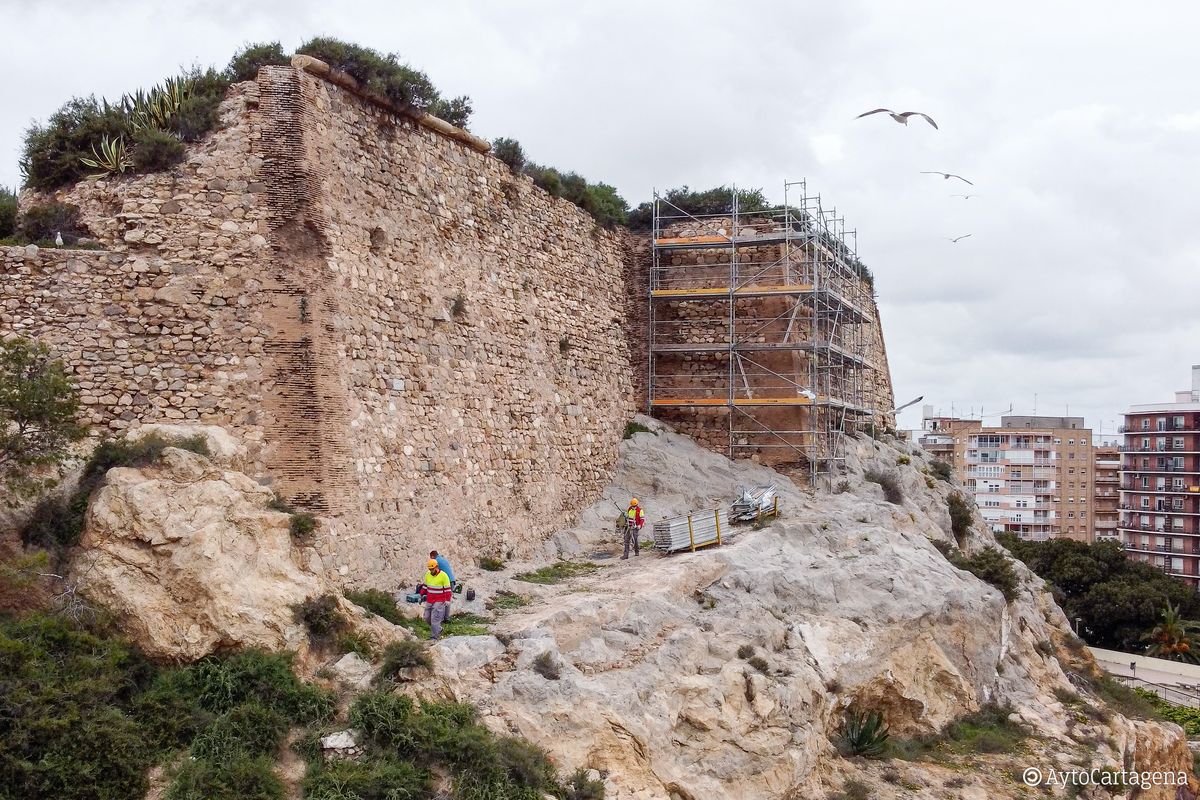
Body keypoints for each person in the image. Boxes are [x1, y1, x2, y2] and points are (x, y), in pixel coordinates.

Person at [421, 559, 453, 641]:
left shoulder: (444, 576)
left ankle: (434, 637)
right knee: (427, 617)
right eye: (430, 569)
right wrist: (421, 595)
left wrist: (447, 600)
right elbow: (425, 586)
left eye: (432, 569)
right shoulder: (428, 574)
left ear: (436, 567)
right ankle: (438, 629)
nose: (431, 571)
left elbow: (448, 590)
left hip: (439, 600)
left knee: (435, 619)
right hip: (430, 599)